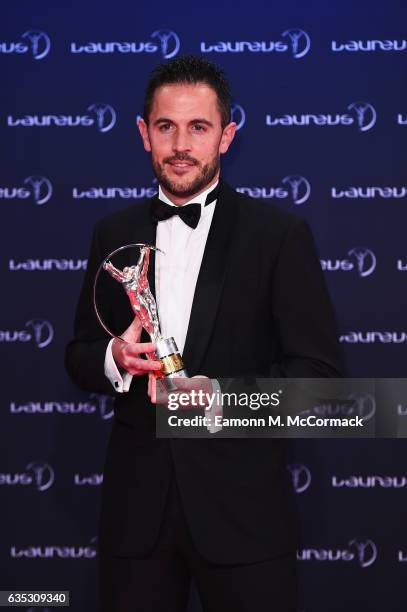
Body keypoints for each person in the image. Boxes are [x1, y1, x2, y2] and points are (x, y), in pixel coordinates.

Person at [65, 55, 342, 612]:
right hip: (136, 518)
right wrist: (117, 357)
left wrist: (223, 399)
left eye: (199, 127)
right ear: (144, 134)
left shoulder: (279, 236)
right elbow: (78, 355)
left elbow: (321, 382)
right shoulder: (112, 234)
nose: (181, 145)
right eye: (166, 126)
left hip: (244, 520)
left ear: (227, 135)